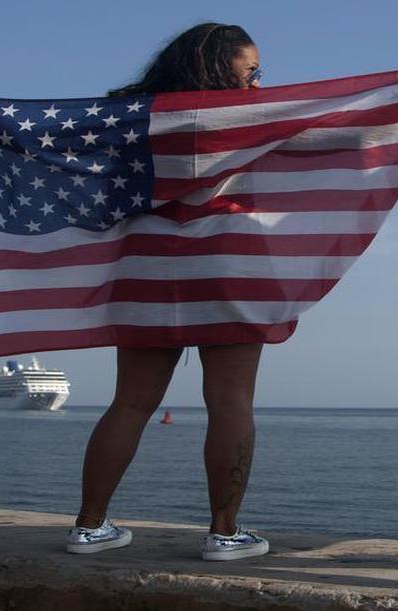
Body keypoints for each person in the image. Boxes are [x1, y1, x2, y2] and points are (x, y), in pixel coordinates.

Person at [64, 23, 270, 562]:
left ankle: (89, 528)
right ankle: (224, 534)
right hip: (225, 266)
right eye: (250, 72)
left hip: (148, 268)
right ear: (217, 66)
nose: (256, 85)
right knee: (231, 402)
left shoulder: (135, 117)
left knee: (130, 401)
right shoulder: (248, 118)